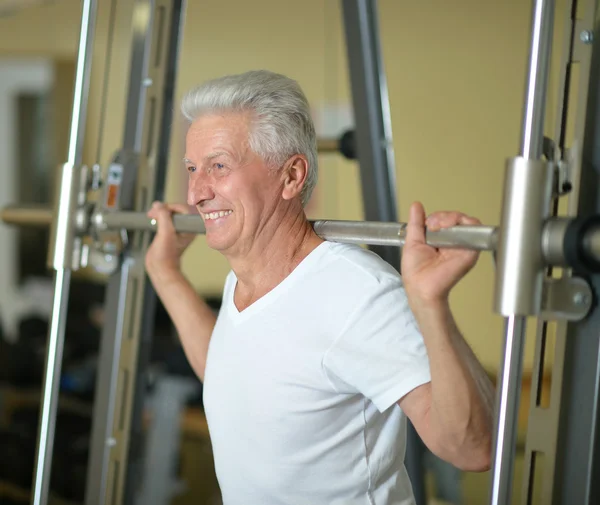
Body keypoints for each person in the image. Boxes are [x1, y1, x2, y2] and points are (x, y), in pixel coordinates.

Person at [145, 70, 494, 505]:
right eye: (193, 169)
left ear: (291, 177)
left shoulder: (357, 294)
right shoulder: (248, 276)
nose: (197, 192)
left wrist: (430, 304)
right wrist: (165, 272)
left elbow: (473, 448)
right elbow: (229, 373)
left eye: (219, 166)